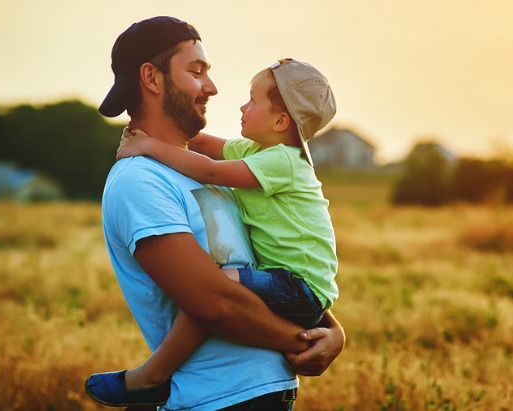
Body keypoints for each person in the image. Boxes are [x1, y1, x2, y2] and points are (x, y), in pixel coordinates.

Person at [86, 16, 344, 411]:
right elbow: (215, 305)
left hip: (266, 390)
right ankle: (149, 378)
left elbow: (268, 270)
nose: (213, 87)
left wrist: (332, 331)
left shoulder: (226, 174)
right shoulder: (140, 181)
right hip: (217, 401)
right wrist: (303, 341)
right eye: (196, 71)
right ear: (152, 79)